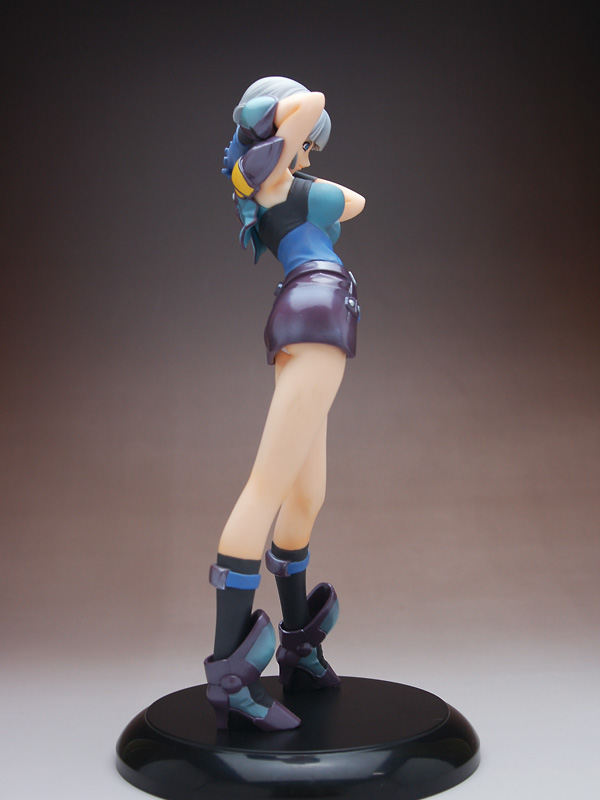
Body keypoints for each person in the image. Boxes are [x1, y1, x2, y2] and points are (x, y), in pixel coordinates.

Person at [204, 77, 365, 731]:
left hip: (312, 313)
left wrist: (302, 156)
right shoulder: (261, 175)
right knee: (266, 489)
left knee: (306, 496)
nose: (307, 153)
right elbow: (312, 106)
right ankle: (229, 679)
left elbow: (351, 202)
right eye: (302, 143)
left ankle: (297, 650)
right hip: (316, 311)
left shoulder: (280, 183)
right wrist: (282, 122)